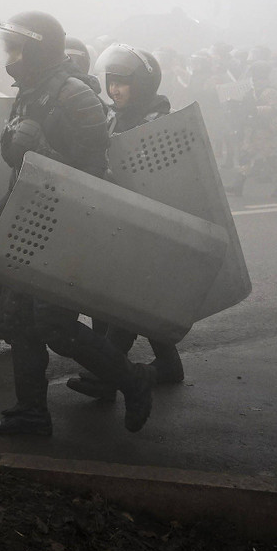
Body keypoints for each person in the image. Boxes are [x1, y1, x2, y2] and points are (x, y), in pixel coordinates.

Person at [0, 11, 155, 437]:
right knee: (22, 321)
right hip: (33, 212)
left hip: (68, 221)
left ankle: (133, 382)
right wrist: (17, 144)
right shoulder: (33, 89)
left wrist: (41, 149)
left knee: (54, 326)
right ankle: (31, 413)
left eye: (18, 47)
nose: (11, 56)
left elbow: (94, 174)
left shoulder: (75, 95)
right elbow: (13, 153)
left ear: (39, 48)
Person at [66, 44, 185, 400]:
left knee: (123, 300)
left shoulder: (158, 122)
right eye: (111, 81)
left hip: (148, 221)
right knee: (132, 298)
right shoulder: (115, 115)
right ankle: (167, 364)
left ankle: (107, 373)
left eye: (123, 83)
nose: (114, 89)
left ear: (144, 85)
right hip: (118, 217)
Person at [225, 61, 277, 198]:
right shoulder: (253, 91)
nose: (255, 80)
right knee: (246, 155)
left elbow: (276, 108)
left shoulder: (270, 91)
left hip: (265, 129)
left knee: (271, 158)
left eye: (258, 78)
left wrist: (256, 110)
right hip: (253, 129)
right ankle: (238, 185)